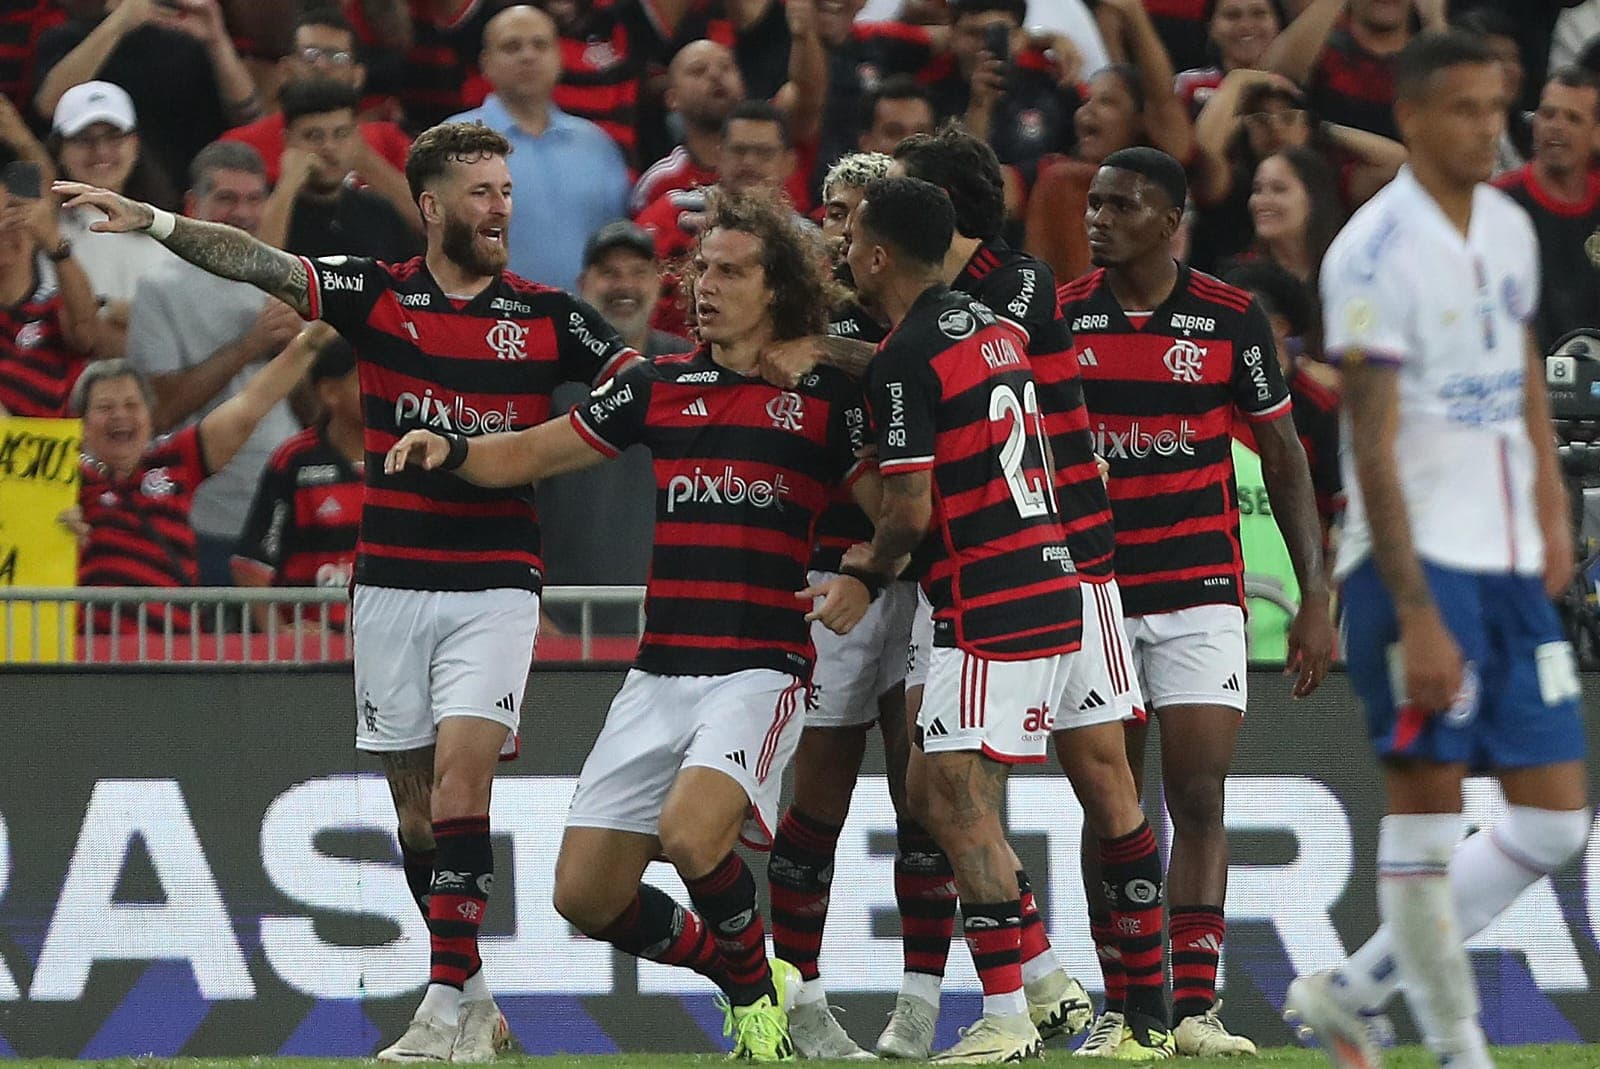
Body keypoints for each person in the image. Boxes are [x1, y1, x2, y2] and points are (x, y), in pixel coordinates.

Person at [54, 118, 641, 1062]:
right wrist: (157, 219)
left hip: (495, 580)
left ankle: (439, 1003)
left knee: (460, 781)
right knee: (415, 810)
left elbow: (635, 381)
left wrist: (541, 450)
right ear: (432, 205)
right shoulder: (378, 295)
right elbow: (257, 262)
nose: (501, 208)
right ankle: (478, 999)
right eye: (482, 191)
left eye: (506, 191)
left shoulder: (548, 313)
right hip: (391, 583)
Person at [385, 187, 875, 1063]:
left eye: (733, 271)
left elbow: (900, 501)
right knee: (584, 894)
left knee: (691, 833)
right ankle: (744, 973)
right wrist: (452, 449)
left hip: (759, 667)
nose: (706, 287)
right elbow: (535, 448)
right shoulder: (658, 386)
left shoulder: (827, 393)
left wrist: (866, 578)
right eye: (700, 270)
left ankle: (762, 1010)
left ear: (780, 288)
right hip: (658, 672)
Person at [1284, 31, 1592, 1069]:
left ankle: (1348, 988)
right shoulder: (1371, 253)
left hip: (1506, 561)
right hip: (1412, 568)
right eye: (1464, 109)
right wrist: (1414, 610)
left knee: (1553, 826)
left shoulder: (1505, 226)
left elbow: (1519, 384)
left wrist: (1551, 512)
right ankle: (1461, 1052)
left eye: (1494, 107)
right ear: (1410, 118)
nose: (1487, 128)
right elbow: (1367, 445)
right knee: (1423, 827)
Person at [842, 175, 1167, 1063]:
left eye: (851, 238)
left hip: (988, 594)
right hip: (1054, 570)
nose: (843, 253)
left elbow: (908, 509)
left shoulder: (904, 354)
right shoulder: (991, 329)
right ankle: (1059, 985)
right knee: (931, 787)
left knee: (954, 795)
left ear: (877, 254)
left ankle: (1009, 1014)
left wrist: (860, 574)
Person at [1061, 145, 1334, 1056]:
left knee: (1198, 789)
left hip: (1200, 588)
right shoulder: (1058, 319)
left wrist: (1314, 593)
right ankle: (1124, 1001)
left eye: (1122, 205)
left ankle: (1193, 1008)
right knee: (1114, 805)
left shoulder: (1229, 318)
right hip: (1094, 592)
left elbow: (1286, 458)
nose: (1098, 217)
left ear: (1170, 220)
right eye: (1094, 202)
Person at [126, 140, 303, 588]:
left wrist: (296, 350)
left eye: (253, 199)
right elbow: (161, 410)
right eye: (226, 198)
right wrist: (250, 345)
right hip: (206, 512)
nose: (241, 213)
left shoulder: (288, 276)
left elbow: (314, 408)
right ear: (193, 205)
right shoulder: (159, 286)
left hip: (288, 507)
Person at [68, 326, 328, 632]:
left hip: (176, 659)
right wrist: (54, 527)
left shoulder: (175, 459)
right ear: (81, 424)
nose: (120, 416)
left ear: (150, 417)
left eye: (132, 405)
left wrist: (309, 342)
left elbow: (250, 404)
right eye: (105, 408)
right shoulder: (62, 480)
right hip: (92, 660)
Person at [538, 220, 690, 633]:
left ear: (659, 283)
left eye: (638, 273)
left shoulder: (690, 371)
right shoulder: (548, 377)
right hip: (566, 632)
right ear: (583, 284)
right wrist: (530, 611)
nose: (624, 286)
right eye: (610, 273)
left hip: (672, 631)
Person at [447, 5, 630, 293]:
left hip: (584, 325)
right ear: (486, 62)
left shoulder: (598, 146)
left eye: (540, 45)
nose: (528, 55)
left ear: (559, 58)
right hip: (486, 324)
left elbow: (618, 242)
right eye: (512, 46)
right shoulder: (454, 141)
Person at [33, 0, 263, 189]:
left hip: (176, 196)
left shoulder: (186, 39)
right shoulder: (66, 37)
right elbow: (48, 105)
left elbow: (248, 116)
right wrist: (119, 23)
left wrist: (217, 41)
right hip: (85, 194)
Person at [232, 334, 364, 632]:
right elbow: (251, 568)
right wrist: (284, 641)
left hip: (391, 650)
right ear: (330, 392)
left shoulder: (412, 455)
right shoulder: (293, 462)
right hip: (315, 655)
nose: (385, 390)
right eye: (368, 378)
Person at [50, 80, 178, 359]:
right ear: (60, 147)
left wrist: (106, 309)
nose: (102, 152)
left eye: (114, 137)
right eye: (85, 140)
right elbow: (79, 333)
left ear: (134, 143)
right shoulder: (47, 229)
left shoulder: (167, 226)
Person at [221, 7, 414, 185]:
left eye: (337, 57)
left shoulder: (389, 140)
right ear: (286, 70)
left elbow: (428, 215)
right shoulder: (243, 144)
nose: (322, 66)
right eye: (311, 54)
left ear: (358, 76)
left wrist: (362, 159)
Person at [1492, 67, 1600, 354]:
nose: (1557, 126)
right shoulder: (1498, 204)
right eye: (1548, 114)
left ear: (1597, 134)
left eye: (1573, 118)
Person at [259, 79, 421, 262]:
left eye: (341, 134)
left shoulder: (379, 211)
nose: (329, 147)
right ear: (287, 140)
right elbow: (259, 270)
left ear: (356, 136)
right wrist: (287, 186)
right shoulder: (260, 205)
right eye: (314, 136)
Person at [1263, 0, 1447, 141]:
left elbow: (1455, 98)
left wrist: (1435, 19)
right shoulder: (1323, 50)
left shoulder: (1428, 56)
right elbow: (1272, 76)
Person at [0, 184, 99, 417]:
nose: (3, 229)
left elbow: (86, 335)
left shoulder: (54, 307)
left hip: (51, 446)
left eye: (13, 218)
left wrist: (55, 243)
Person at [1240, 146, 1346, 285]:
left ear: (1314, 197)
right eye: (1257, 190)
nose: (1261, 201)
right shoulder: (1242, 278)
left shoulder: (1344, 271)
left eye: (1279, 189)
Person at [1174, 0, 1284, 117]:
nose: (1245, 25)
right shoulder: (1187, 84)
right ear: (1210, 27)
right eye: (1232, 15)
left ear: (1278, 23)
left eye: (1259, 14)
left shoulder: (1294, 85)